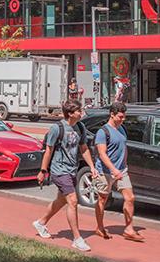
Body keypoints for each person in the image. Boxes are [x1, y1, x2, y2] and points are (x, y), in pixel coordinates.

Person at [32, 99, 99, 252]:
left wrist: (92, 167)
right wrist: (43, 171)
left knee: (61, 200)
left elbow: (84, 148)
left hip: (72, 169)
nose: (81, 113)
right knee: (73, 201)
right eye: (79, 111)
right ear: (70, 113)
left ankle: (41, 223)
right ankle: (77, 239)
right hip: (59, 170)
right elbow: (48, 151)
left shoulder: (80, 127)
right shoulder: (57, 128)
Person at [92, 101, 144, 242]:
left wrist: (124, 164)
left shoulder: (122, 129)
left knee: (130, 198)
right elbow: (102, 154)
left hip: (121, 170)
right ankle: (100, 227)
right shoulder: (103, 132)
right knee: (102, 199)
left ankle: (129, 229)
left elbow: (123, 146)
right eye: (120, 117)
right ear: (112, 114)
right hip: (105, 171)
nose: (123, 119)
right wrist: (113, 169)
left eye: (124, 116)